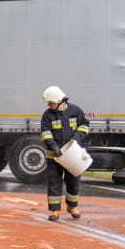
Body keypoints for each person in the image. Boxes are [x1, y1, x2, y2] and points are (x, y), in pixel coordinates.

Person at [40, 86, 90, 221]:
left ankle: (72, 207)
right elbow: (45, 134)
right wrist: (54, 147)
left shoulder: (75, 111)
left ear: (59, 100)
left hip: (72, 156)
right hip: (54, 157)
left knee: (73, 182)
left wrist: (77, 138)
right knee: (54, 183)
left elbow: (85, 126)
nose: (49, 105)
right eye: (48, 104)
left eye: (51, 103)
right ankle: (55, 211)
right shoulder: (47, 115)